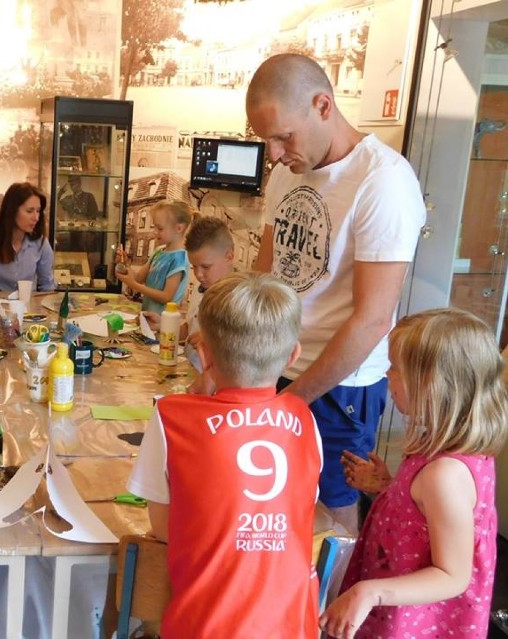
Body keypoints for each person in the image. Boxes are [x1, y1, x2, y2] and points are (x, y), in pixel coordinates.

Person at [247, 53, 426, 532]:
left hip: (340, 385)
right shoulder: (286, 172)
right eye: (265, 140)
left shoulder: (383, 182)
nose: (275, 153)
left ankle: (339, 605)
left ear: (323, 106)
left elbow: (371, 319)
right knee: (276, 505)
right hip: (278, 368)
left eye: (283, 136)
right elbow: (265, 282)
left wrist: (296, 397)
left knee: (334, 514)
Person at [127, 271, 322, 638]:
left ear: (203, 355)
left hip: (204, 624)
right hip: (292, 625)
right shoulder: (304, 419)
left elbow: (163, 529)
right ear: (293, 354)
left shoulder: (173, 416)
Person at [320, 308, 507, 639]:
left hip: (416, 619)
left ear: (431, 385)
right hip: (400, 595)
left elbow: (452, 574)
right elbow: (428, 519)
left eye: (395, 368)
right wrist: (388, 489)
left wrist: (371, 592)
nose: (388, 375)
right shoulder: (440, 447)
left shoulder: (445, 474)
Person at [144, 215, 234, 372]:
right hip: (190, 370)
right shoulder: (200, 290)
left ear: (229, 256)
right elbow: (191, 329)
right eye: (194, 266)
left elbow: (245, 345)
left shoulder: (239, 300)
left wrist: (212, 339)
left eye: (206, 267)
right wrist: (164, 325)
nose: (199, 274)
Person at [115, 200, 191, 314]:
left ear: (179, 228)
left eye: (160, 228)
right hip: (148, 318)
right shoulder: (158, 251)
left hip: (164, 325)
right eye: (154, 227)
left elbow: (166, 297)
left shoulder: (179, 259)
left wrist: (134, 285)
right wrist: (125, 264)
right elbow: (138, 278)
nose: (155, 232)